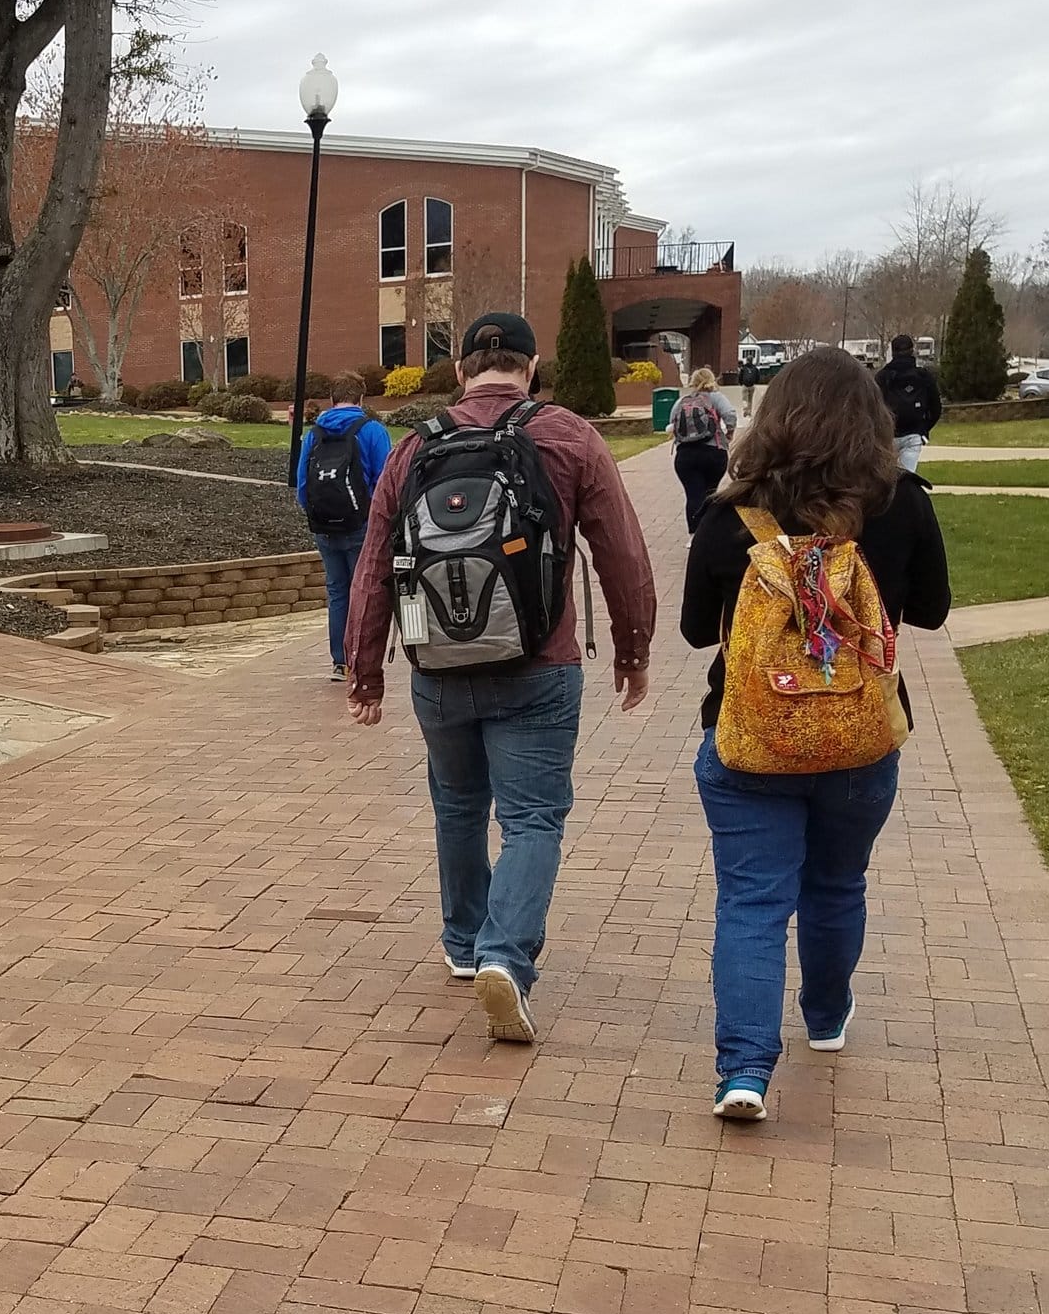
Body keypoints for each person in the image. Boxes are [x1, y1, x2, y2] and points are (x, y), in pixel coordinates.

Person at [344, 313, 659, 1044]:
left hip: (439, 668)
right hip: (539, 666)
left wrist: (365, 672)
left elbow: (373, 565)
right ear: (533, 364)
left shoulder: (414, 443)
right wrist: (632, 651)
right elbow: (623, 556)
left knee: (457, 805)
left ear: (460, 371)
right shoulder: (570, 436)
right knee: (532, 818)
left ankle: (463, 942)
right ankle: (505, 955)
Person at [681, 348, 950, 1121]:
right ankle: (826, 1018)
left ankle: (742, 1071)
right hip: (861, 739)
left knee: (752, 900)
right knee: (837, 883)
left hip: (747, 740)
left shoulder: (733, 512)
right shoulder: (901, 505)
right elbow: (930, 610)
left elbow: (699, 631)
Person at [295, 374, 392, 680]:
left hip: (324, 525)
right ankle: (361, 658)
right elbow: (385, 483)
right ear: (361, 399)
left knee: (337, 591)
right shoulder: (373, 430)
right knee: (364, 590)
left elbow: (302, 483)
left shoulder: (314, 434)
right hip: (361, 525)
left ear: (333, 399)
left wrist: (315, 513)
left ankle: (340, 661)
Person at [668, 366, 738, 531]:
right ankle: (708, 532)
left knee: (693, 495)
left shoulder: (682, 401)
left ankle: (694, 534)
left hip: (686, 455)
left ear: (693, 382)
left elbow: (671, 423)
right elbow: (730, 415)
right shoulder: (716, 397)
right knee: (710, 493)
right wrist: (729, 432)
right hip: (714, 452)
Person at [876, 335, 943, 472]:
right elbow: (936, 407)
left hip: (889, 435)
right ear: (912, 351)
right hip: (913, 434)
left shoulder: (882, 377)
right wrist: (923, 430)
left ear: (892, 352)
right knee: (907, 478)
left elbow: (872, 407)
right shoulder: (923, 376)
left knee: (887, 479)